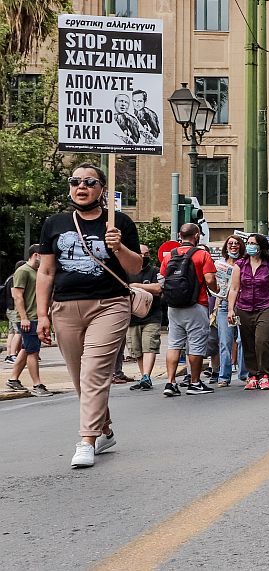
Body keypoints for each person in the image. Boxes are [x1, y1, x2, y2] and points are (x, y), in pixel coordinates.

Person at [36, 163, 143, 468]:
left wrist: (118, 245)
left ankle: (87, 440)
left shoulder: (119, 221)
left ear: (102, 189)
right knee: (80, 379)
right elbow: (45, 271)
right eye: (75, 181)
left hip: (109, 305)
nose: (81, 187)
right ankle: (104, 429)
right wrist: (42, 314)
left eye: (89, 182)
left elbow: (135, 267)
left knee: (94, 371)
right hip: (65, 307)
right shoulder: (55, 223)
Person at [159, 223, 218, 397]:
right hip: (196, 304)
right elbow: (209, 280)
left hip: (174, 306)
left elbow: (162, 280)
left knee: (174, 344)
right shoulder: (202, 254)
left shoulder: (169, 255)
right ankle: (195, 382)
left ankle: (170, 383)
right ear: (197, 235)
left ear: (179, 235)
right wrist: (217, 289)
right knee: (196, 345)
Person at [227, 233, 269, 390]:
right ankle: (252, 375)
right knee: (247, 342)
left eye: (253, 243)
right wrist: (230, 309)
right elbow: (234, 289)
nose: (250, 245)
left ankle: (264, 375)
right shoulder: (240, 265)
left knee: (263, 341)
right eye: (248, 243)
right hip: (244, 308)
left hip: (266, 307)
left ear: (261, 246)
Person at [6, 246, 52, 397]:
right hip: (29, 318)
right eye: (43, 256)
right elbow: (17, 296)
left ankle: (13, 379)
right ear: (36, 255)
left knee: (27, 349)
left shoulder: (36, 271)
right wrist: (24, 318)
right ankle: (37, 384)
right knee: (33, 351)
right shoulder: (23, 271)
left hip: (35, 317)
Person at [125, 245, 162, 391]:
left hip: (152, 316)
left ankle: (147, 375)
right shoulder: (126, 271)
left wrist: (135, 285)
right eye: (141, 254)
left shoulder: (154, 271)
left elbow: (158, 288)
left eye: (146, 254)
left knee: (149, 346)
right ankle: (143, 377)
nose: (144, 257)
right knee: (137, 349)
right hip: (132, 317)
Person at [213, 235, 244, 386]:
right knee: (225, 341)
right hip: (224, 305)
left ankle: (244, 374)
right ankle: (224, 377)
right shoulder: (218, 264)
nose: (233, 246)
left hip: (243, 305)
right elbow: (212, 285)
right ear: (226, 247)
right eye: (230, 243)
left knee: (242, 340)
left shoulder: (245, 264)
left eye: (236, 243)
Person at [4, 261, 26, 363]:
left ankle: (9, 354)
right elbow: (15, 295)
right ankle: (12, 354)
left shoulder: (9, 278)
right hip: (14, 308)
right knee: (18, 332)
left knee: (11, 332)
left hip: (9, 308)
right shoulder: (15, 278)